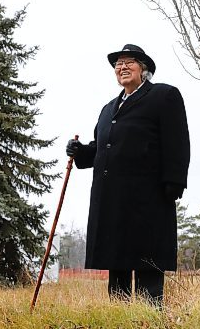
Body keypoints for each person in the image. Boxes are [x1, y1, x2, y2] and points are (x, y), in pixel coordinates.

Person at [66, 44, 190, 308]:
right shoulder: (108, 108)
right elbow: (102, 149)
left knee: (147, 261)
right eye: (117, 64)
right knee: (116, 263)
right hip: (112, 200)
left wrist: (174, 181)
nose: (121, 67)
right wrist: (80, 152)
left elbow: (178, 140)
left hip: (148, 197)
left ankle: (148, 319)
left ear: (143, 68)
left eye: (129, 62)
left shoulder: (163, 95)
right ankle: (119, 317)